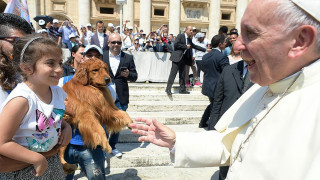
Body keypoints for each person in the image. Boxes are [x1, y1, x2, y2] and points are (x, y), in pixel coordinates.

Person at [129, 0, 320, 179]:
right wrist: (177, 141)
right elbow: (232, 143)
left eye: (251, 33)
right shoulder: (269, 83)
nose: (236, 45)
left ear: (300, 41)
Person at [0, 12, 72, 173]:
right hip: (25, 169)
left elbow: (53, 119)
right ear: (26, 67)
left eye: (60, 63)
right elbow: (2, 142)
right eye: (50, 63)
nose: (59, 69)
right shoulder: (21, 100)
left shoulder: (57, 92)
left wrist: (67, 128)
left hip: (51, 165)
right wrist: (36, 158)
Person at [208, 60, 254, 180]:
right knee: (224, 171)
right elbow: (217, 103)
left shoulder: (269, 71)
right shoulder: (228, 70)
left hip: (251, 133)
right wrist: (212, 131)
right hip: (227, 132)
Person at [103, 33, 138, 157]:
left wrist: (128, 74)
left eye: (118, 42)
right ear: (108, 43)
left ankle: (112, 146)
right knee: (103, 123)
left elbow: (135, 76)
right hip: (104, 96)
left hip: (121, 95)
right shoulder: (102, 57)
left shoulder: (128, 58)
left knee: (118, 124)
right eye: (113, 42)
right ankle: (102, 146)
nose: (116, 45)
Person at [165, 26, 206, 95]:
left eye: (192, 31)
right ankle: (168, 89)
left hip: (184, 59)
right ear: (186, 30)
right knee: (173, 73)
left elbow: (194, 46)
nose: (191, 32)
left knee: (183, 74)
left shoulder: (189, 39)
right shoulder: (180, 35)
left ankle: (182, 89)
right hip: (177, 57)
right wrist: (185, 46)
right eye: (190, 30)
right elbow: (176, 44)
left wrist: (204, 50)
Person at [199, 34, 229, 128]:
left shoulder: (205, 56)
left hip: (208, 85)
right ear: (220, 44)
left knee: (212, 104)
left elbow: (203, 69)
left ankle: (203, 122)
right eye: (224, 42)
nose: (226, 43)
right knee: (215, 107)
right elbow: (226, 73)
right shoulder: (222, 57)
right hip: (217, 87)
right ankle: (212, 127)